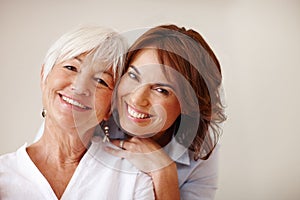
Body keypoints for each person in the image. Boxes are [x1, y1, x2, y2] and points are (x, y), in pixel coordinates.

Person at [0, 26, 154, 199]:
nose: (80, 87)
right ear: (45, 76)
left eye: (100, 80)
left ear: (110, 108)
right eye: (71, 68)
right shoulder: (4, 175)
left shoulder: (132, 179)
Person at [104, 24, 226, 200]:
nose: (137, 99)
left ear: (189, 105)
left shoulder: (200, 157)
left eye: (161, 90)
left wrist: (164, 173)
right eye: (133, 76)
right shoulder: (94, 119)